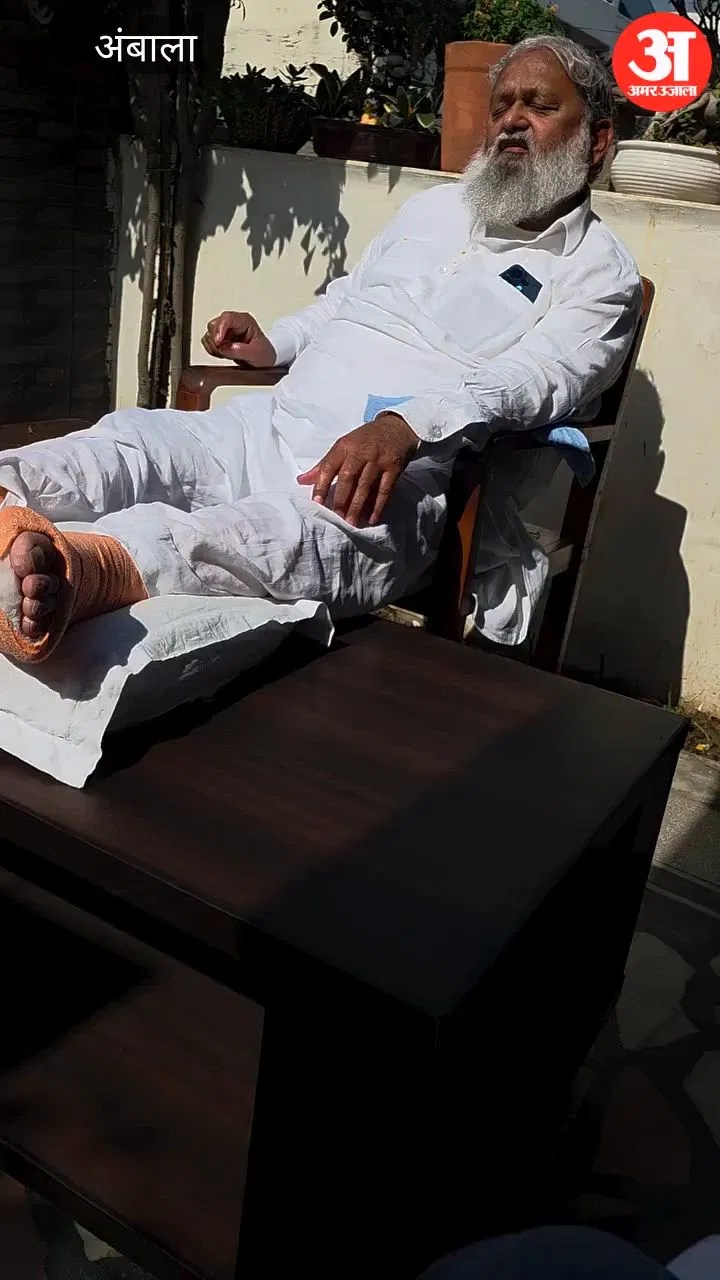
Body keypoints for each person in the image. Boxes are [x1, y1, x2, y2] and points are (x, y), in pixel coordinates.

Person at [0, 34, 642, 665]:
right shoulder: (434, 209)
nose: (511, 122)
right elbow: (346, 301)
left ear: (597, 141)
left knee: (261, 537)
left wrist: (406, 425)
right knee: (134, 440)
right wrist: (272, 343)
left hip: (389, 485)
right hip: (273, 424)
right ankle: (7, 507)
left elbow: (537, 380)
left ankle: (76, 568)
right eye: (501, 106)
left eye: (539, 106)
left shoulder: (598, 275)